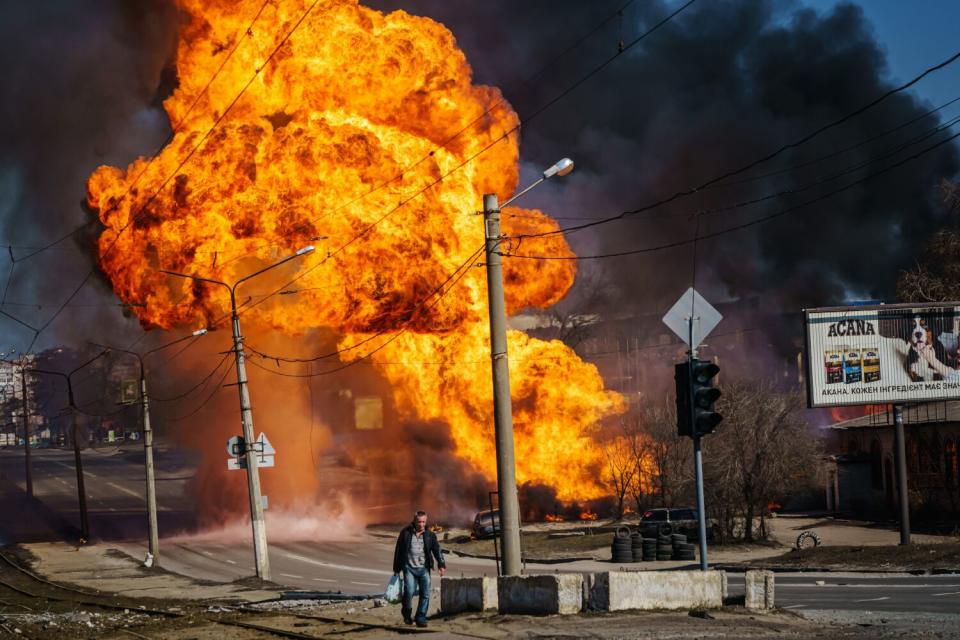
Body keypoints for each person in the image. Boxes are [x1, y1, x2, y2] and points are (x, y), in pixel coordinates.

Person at [392, 510, 445, 627]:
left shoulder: (430, 535)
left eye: (423, 522)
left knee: (425, 594)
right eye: (419, 522)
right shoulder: (405, 533)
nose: (421, 524)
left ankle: (420, 617)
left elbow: (437, 550)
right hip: (409, 568)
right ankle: (406, 613)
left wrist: (441, 565)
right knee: (409, 591)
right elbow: (398, 551)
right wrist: (396, 569)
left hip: (424, 569)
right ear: (414, 521)